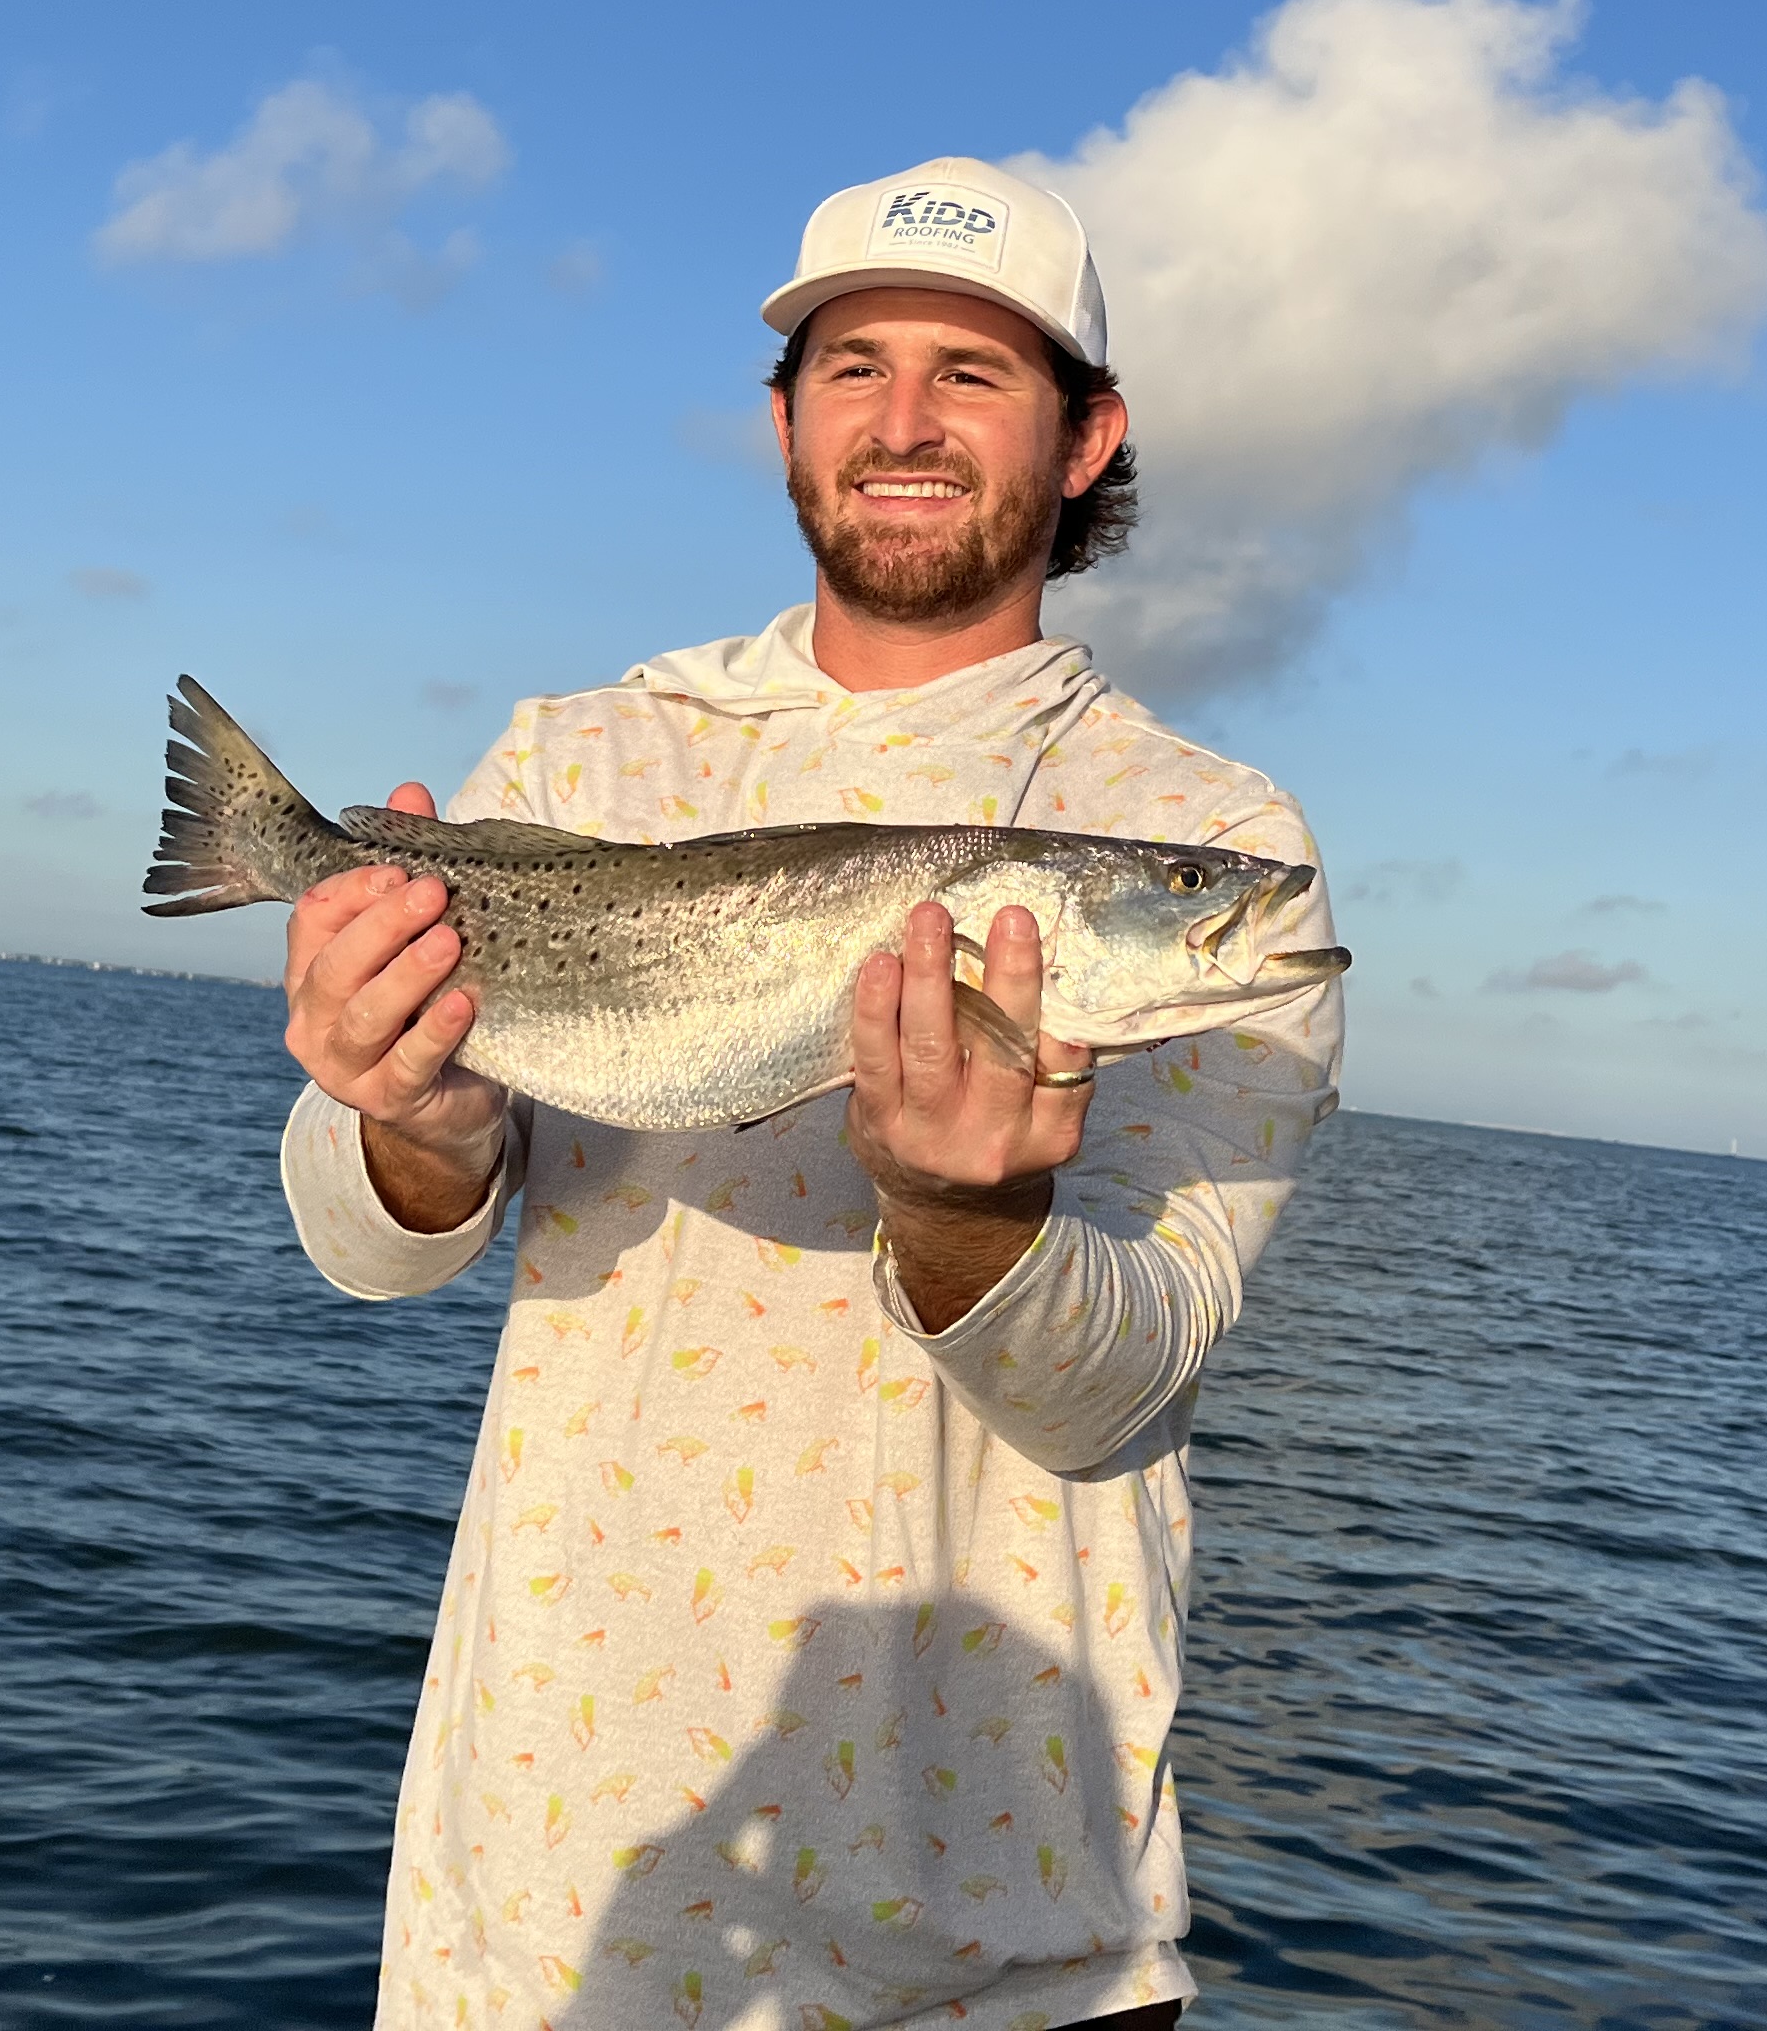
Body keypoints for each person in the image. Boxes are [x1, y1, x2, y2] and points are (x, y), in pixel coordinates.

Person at [278, 155, 1346, 2031]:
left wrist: (968, 1215)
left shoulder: (1213, 849)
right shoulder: (583, 751)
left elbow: (1130, 1376)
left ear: (1090, 438)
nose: (907, 422)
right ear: (783, 419)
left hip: (1007, 1940)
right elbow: (375, 1250)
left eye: (975, 371)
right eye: (855, 366)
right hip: (543, 1897)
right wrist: (410, 1119)